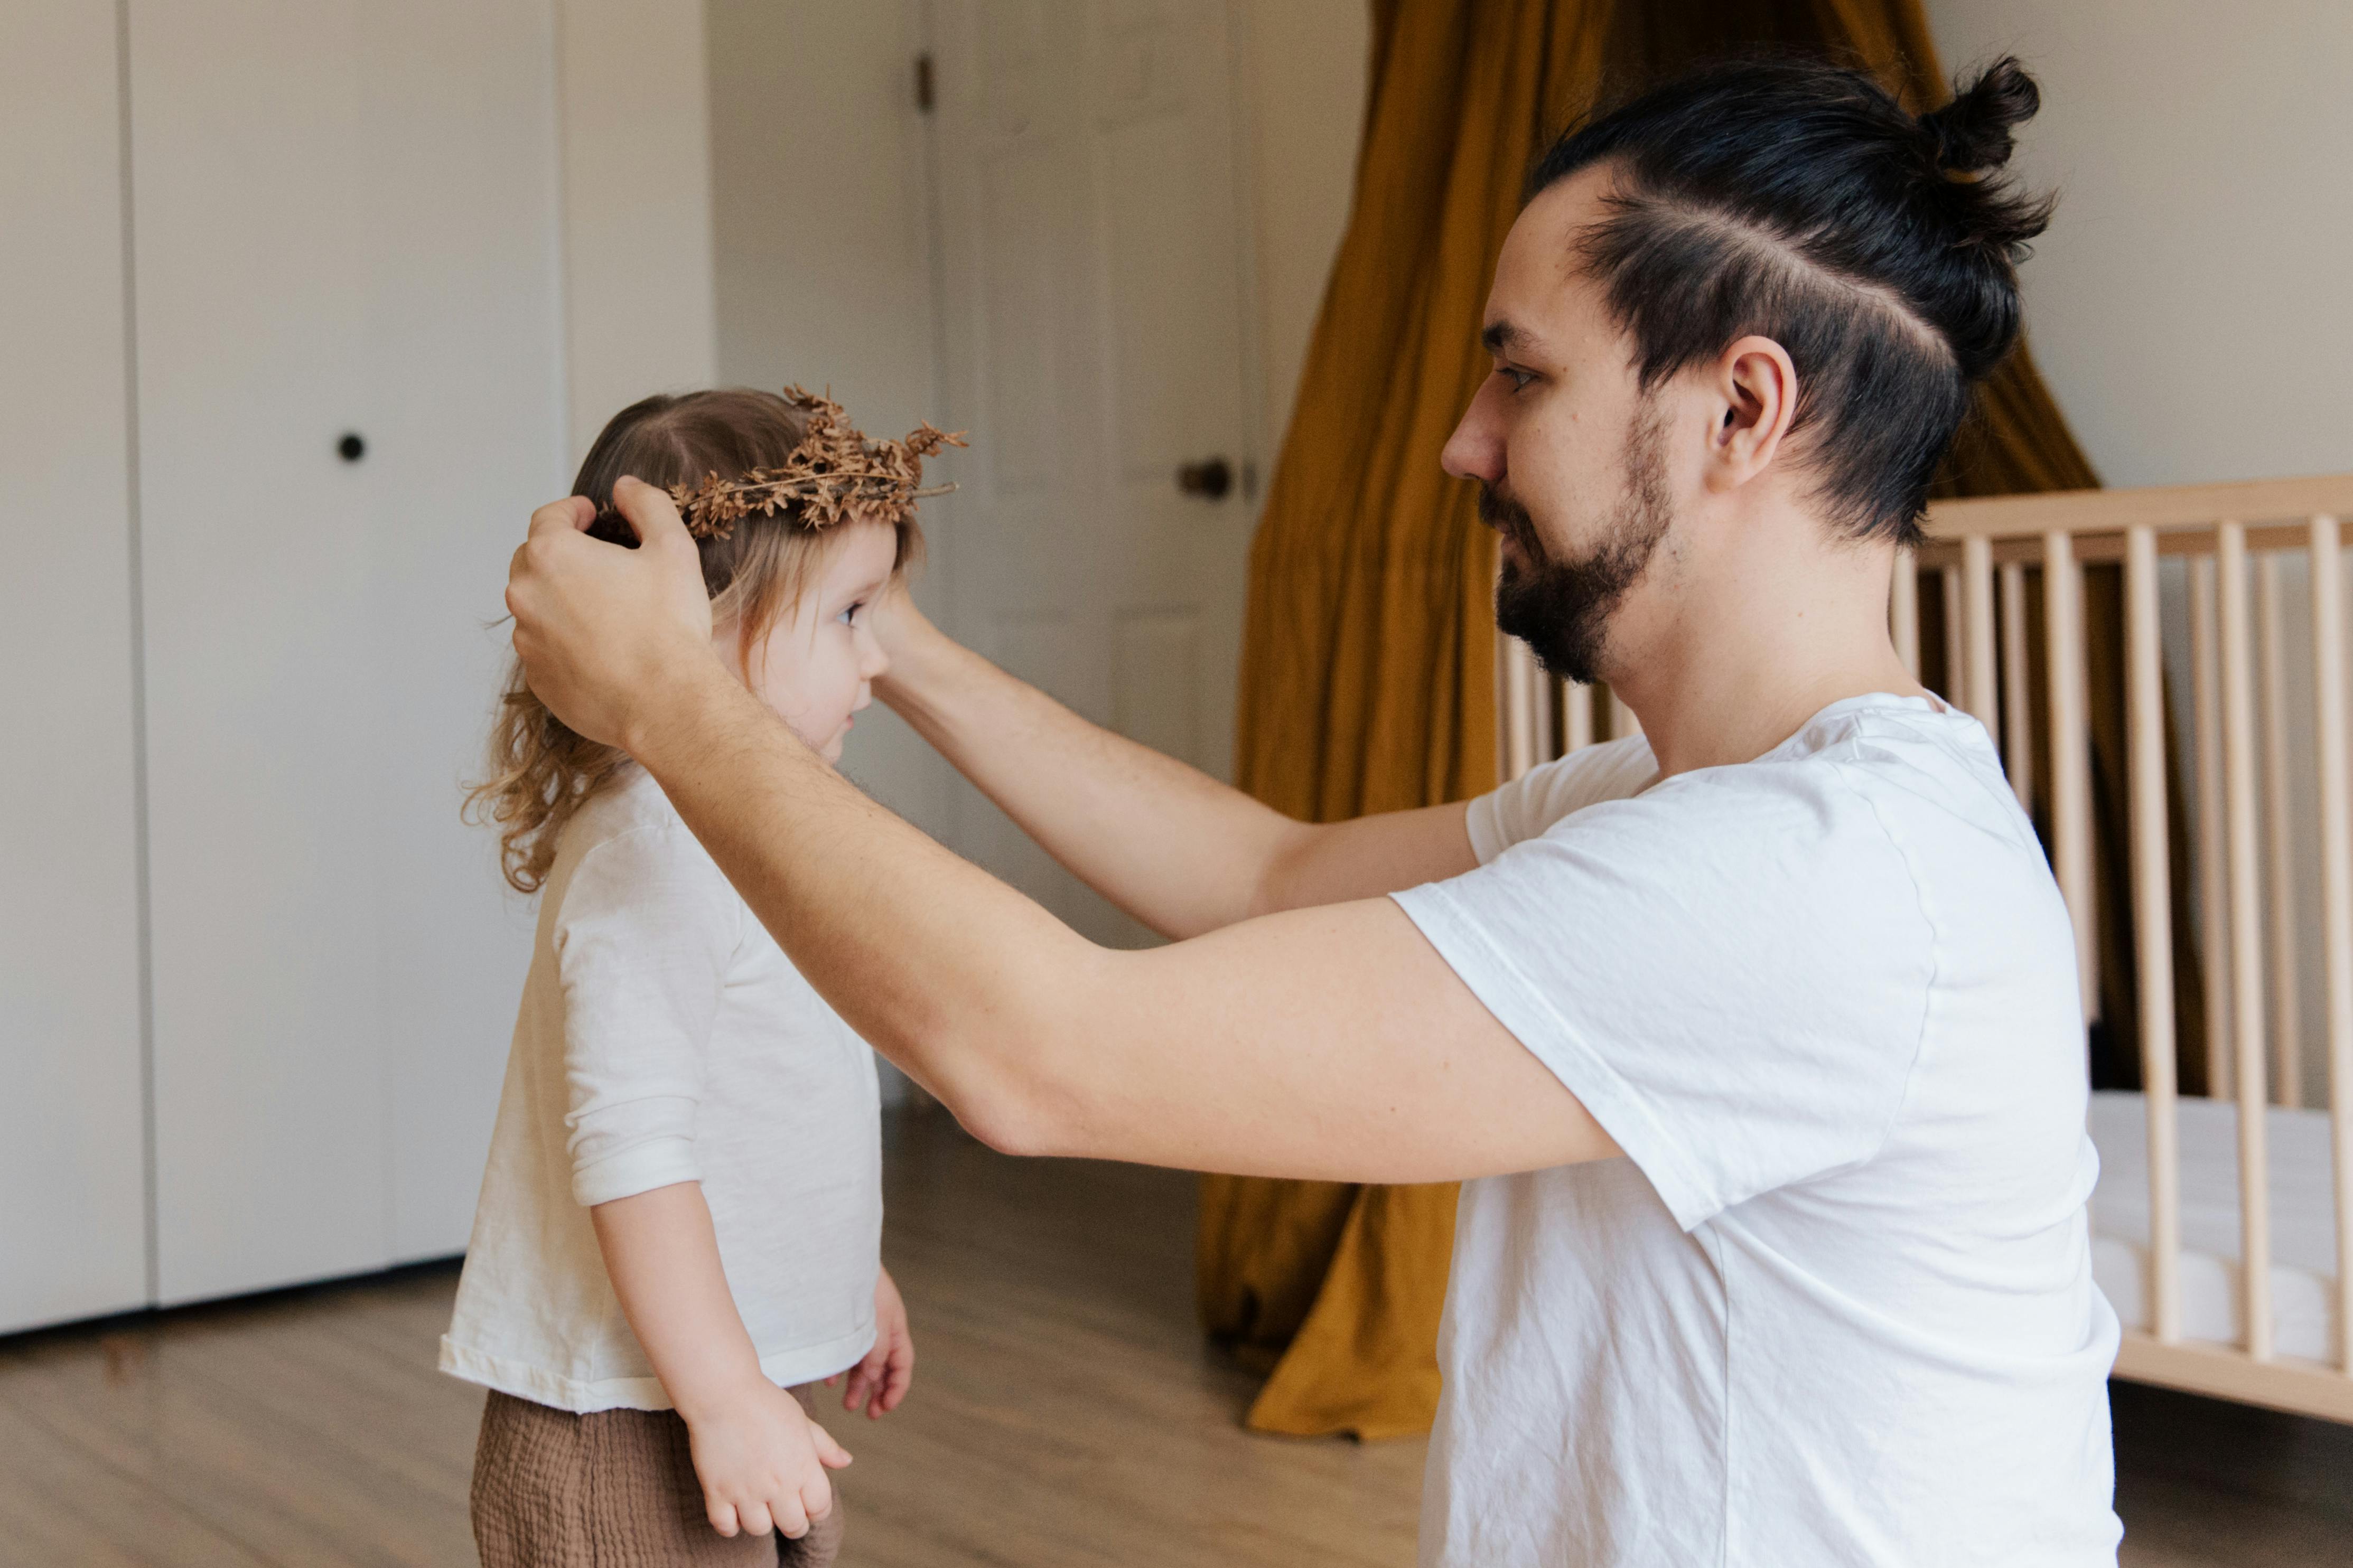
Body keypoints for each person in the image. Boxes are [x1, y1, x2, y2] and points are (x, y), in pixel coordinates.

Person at [506, 57, 2124, 1568]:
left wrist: (677, 707)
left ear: (1741, 410)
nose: (1457, 442)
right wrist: (883, 641)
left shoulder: (1801, 884)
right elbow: (1264, 871)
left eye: (1521, 374)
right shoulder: (1678, 805)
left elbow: (1039, 1057)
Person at [445, 387, 936, 1567]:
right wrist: (723, 1398)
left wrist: (840, 1268)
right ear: (696, 631)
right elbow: (635, 1149)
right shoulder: (650, 851)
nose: (877, 659)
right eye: (849, 614)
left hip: (725, 1381)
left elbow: (766, 1097)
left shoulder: (749, 831)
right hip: (625, 1419)